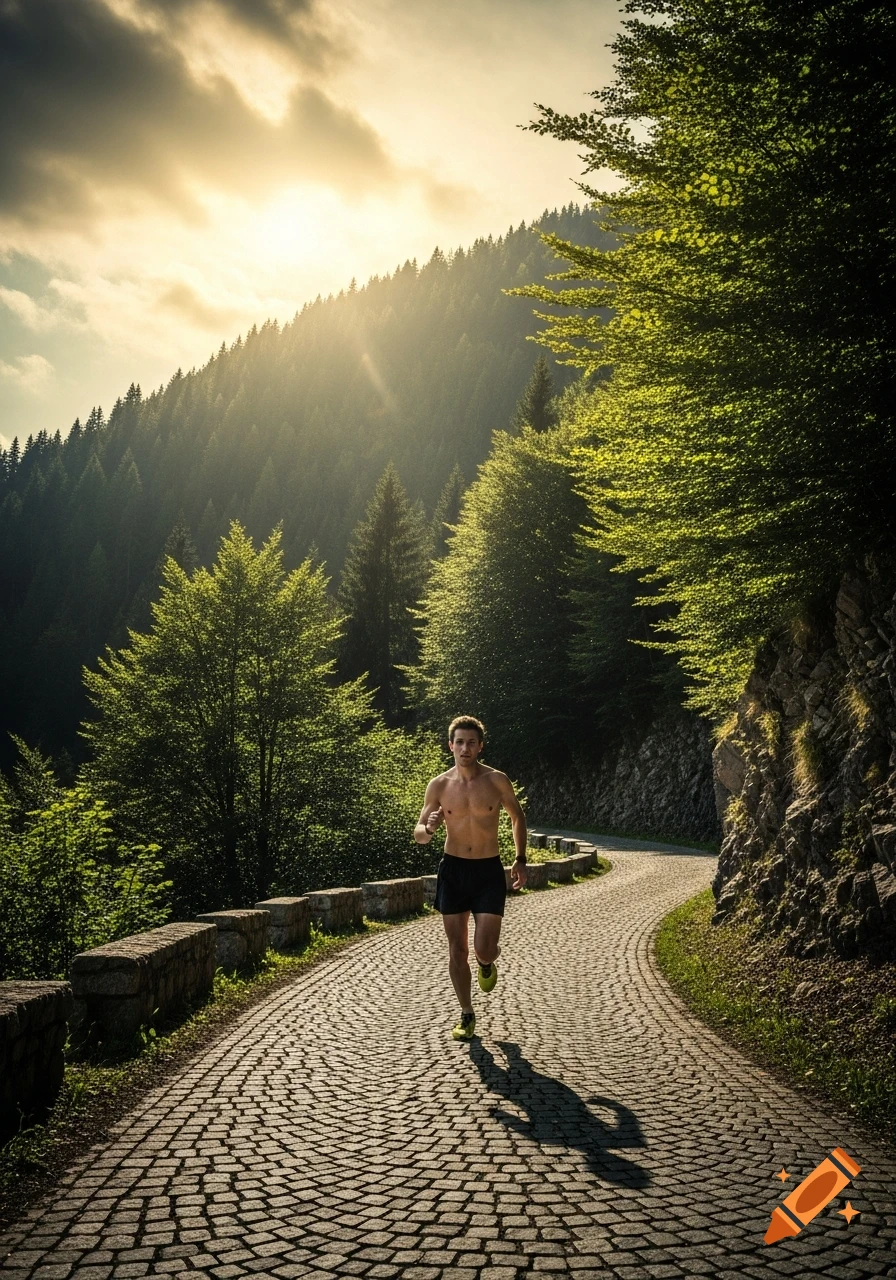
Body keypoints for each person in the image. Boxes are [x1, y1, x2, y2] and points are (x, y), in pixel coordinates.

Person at [414, 715, 527, 1040]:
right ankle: (466, 1013)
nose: (465, 748)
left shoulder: (496, 781)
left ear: (480, 746)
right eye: (459, 742)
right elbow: (419, 834)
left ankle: (488, 963)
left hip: (488, 870)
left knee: (485, 947)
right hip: (453, 870)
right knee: (457, 950)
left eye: (471, 742)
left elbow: (517, 816)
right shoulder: (439, 786)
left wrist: (520, 858)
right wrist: (430, 828)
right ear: (451, 745)